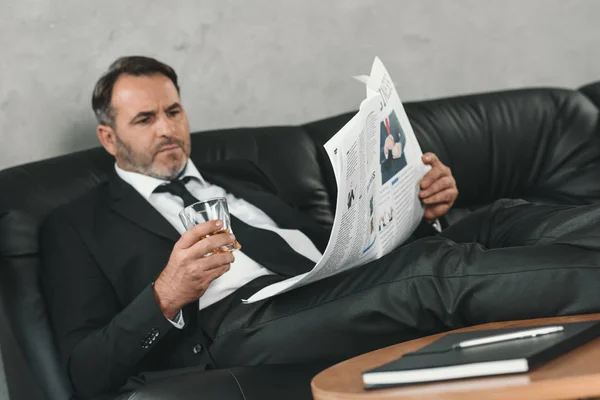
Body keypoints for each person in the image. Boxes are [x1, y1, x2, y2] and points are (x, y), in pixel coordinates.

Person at [40, 56, 600, 399]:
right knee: (426, 276)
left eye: (174, 111)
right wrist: (166, 295)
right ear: (109, 138)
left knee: (498, 217)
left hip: (333, 283)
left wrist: (422, 212)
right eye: (145, 119)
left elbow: (337, 246)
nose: (168, 130)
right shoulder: (76, 226)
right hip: (241, 324)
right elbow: (84, 371)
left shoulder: (240, 174)